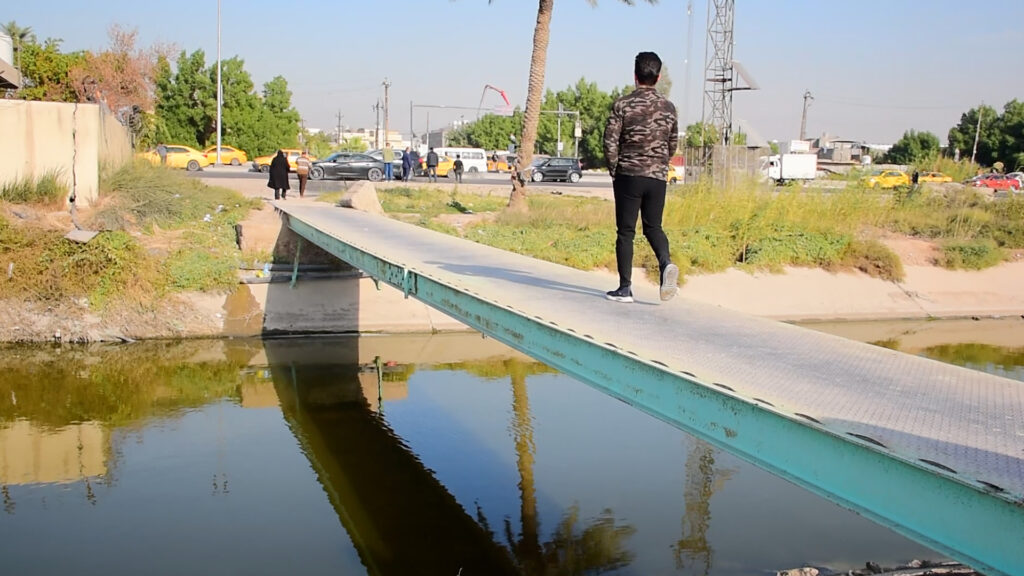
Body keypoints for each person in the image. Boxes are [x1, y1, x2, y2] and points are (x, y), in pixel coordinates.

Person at [603, 51, 679, 304]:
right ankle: (665, 262)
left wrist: (615, 169)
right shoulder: (669, 108)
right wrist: (659, 165)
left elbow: (610, 141)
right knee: (653, 227)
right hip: (657, 177)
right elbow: (673, 144)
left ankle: (625, 288)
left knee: (626, 231)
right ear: (657, 77)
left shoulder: (622, 104)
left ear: (635, 75)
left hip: (629, 175)